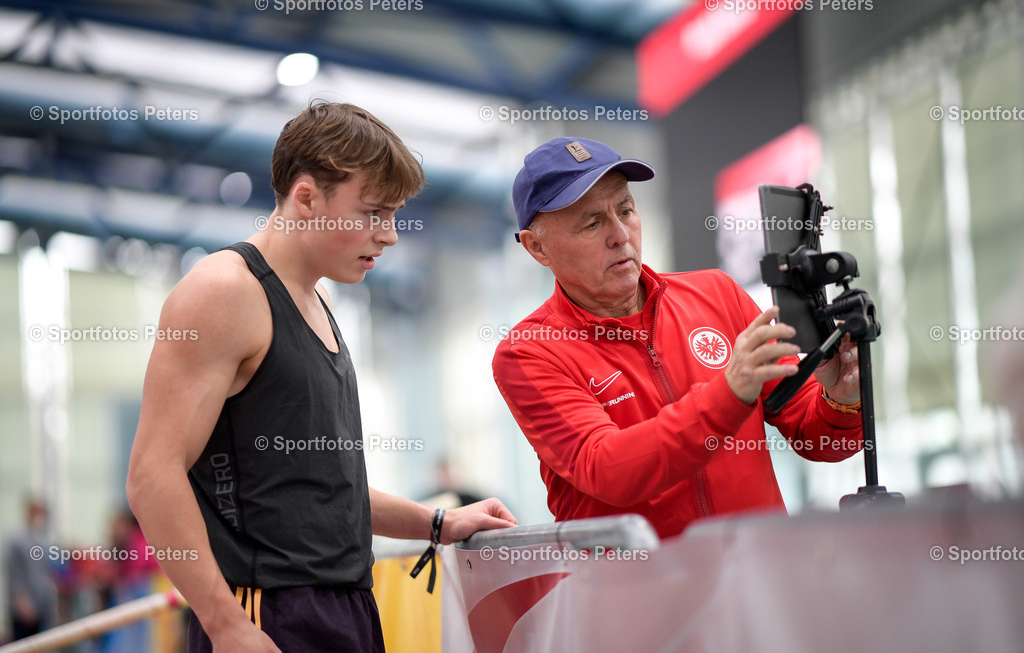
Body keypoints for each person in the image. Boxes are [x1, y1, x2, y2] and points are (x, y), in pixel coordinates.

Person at [127, 101, 516, 653]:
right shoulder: (224, 293)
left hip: (346, 606)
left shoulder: (318, 299)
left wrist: (436, 522)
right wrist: (225, 623)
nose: (391, 236)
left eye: (394, 215)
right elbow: (152, 475)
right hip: (267, 613)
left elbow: (322, 489)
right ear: (307, 198)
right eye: (373, 214)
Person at [492, 137, 864, 540]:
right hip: (637, 595)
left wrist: (841, 398)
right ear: (536, 247)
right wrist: (729, 393)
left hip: (763, 580)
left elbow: (820, 440)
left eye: (626, 210)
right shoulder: (528, 352)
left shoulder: (718, 293)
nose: (620, 235)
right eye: (592, 223)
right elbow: (607, 469)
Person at [4, 497, 57, 639]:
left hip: (42, 607)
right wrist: (22, 601)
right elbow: (15, 576)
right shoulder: (17, 542)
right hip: (24, 609)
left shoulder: (41, 542)